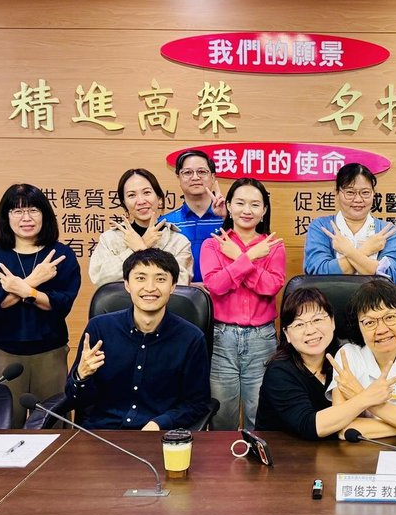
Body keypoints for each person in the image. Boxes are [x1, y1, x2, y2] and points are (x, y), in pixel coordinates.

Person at [0, 184, 81, 427]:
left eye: (33, 210)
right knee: (4, 426)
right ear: (6, 216)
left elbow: (61, 304)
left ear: (45, 214)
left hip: (50, 352)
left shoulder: (60, 254)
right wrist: (34, 282)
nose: (26, 218)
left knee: (54, 425)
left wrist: (23, 291)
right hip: (4, 353)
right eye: (18, 211)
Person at [67, 249, 210, 431]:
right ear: (127, 284)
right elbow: (75, 399)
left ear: (173, 286)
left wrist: (160, 423)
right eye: (141, 278)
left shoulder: (191, 338)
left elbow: (197, 403)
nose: (150, 288)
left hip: (158, 436)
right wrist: (81, 376)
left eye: (160, 279)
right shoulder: (99, 329)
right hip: (101, 433)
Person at [255, 288, 396, 440]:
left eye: (317, 320)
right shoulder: (279, 372)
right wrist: (367, 398)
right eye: (299, 325)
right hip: (283, 451)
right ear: (287, 334)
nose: (310, 331)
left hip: (335, 451)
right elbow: (308, 425)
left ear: (333, 322)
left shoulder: (346, 356)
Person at [199, 178, 285, 430]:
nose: (247, 210)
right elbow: (215, 286)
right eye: (240, 203)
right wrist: (250, 258)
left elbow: (271, 286)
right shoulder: (213, 244)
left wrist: (238, 259)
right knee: (221, 414)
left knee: (259, 413)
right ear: (228, 206)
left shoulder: (274, 246)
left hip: (262, 338)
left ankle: (256, 456)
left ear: (264, 210)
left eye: (255, 204)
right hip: (221, 337)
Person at [328, 280, 396, 439]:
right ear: (358, 327)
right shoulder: (348, 356)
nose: (381, 329)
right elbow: (343, 428)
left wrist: (362, 395)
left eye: (390, 317)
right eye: (369, 322)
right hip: (362, 452)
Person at [88, 168, 192, 285]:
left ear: (159, 199)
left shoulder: (178, 242)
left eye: (147, 192)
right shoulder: (109, 239)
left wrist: (143, 249)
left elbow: (180, 283)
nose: (141, 201)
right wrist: (135, 249)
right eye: (131, 195)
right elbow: (99, 279)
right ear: (124, 203)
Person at [303, 163, 396, 283]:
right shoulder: (321, 226)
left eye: (365, 193)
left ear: (373, 194)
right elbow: (318, 274)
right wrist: (366, 250)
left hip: (376, 296)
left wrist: (348, 251)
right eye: (350, 192)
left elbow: (391, 277)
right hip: (329, 296)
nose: (358, 199)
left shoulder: (387, 230)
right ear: (337, 193)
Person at [159, 149, 227, 284]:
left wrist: (228, 219)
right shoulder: (165, 223)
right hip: (180, 294)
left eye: (202, 172)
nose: (195, 177)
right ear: (178, 178)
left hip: (225, 294)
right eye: (187, 172)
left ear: (213, 177)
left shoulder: (231, 219)